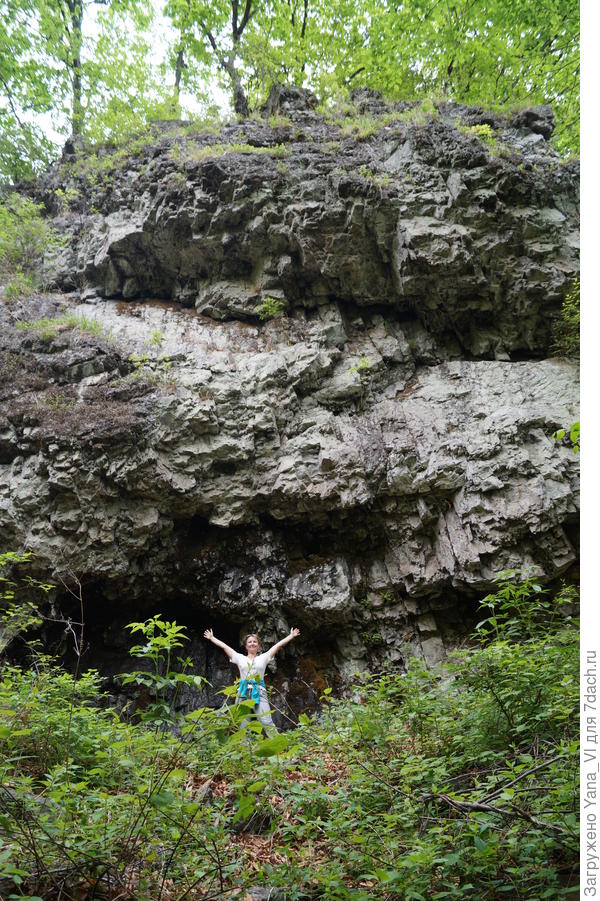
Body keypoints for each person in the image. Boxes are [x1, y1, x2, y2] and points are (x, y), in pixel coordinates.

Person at [203, 627, 300, 735]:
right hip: (243, 692)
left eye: (255, 642)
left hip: (259, 692)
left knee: (266, 721)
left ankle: (280, 746)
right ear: (246, 646)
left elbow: (277, 646)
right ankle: (244, 749)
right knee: (242, 723)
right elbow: (225, 647)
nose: (252, 643)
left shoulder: (264, 657)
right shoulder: (239, 657)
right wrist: (212, 638)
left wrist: (291, 636)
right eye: (249, 642)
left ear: (258, 646)